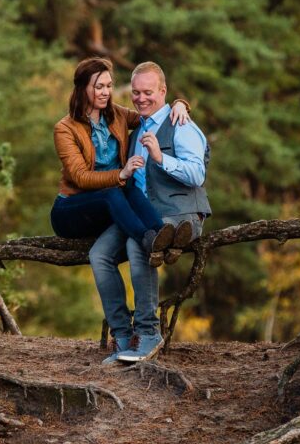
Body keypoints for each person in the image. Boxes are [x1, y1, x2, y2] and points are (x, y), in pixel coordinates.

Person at [89, 61, 210, 364]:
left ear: (163, 91)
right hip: (142, 214)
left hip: (182, 213)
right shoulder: (135, 133)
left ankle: (147, 333)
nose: (141, 98)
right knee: (99, 254)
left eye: (148, 92)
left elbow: (197, 174)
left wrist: (160, 157)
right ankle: (122, 335)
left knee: (138, 243)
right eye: (136, 92)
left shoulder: (181, 124)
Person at [50, 57, 193, 262]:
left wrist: (179, 105)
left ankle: (165, 237)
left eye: (109, 86)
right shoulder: (65, 129)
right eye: (99, 87)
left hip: (110, 204)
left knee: (130, 189)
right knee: (115, 191)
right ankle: (149, 242)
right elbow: (80, 177)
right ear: (82, 88)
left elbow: (153, 114)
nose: (106, 92)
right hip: (71, 212)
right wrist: (122, 173)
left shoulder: (116, 114)